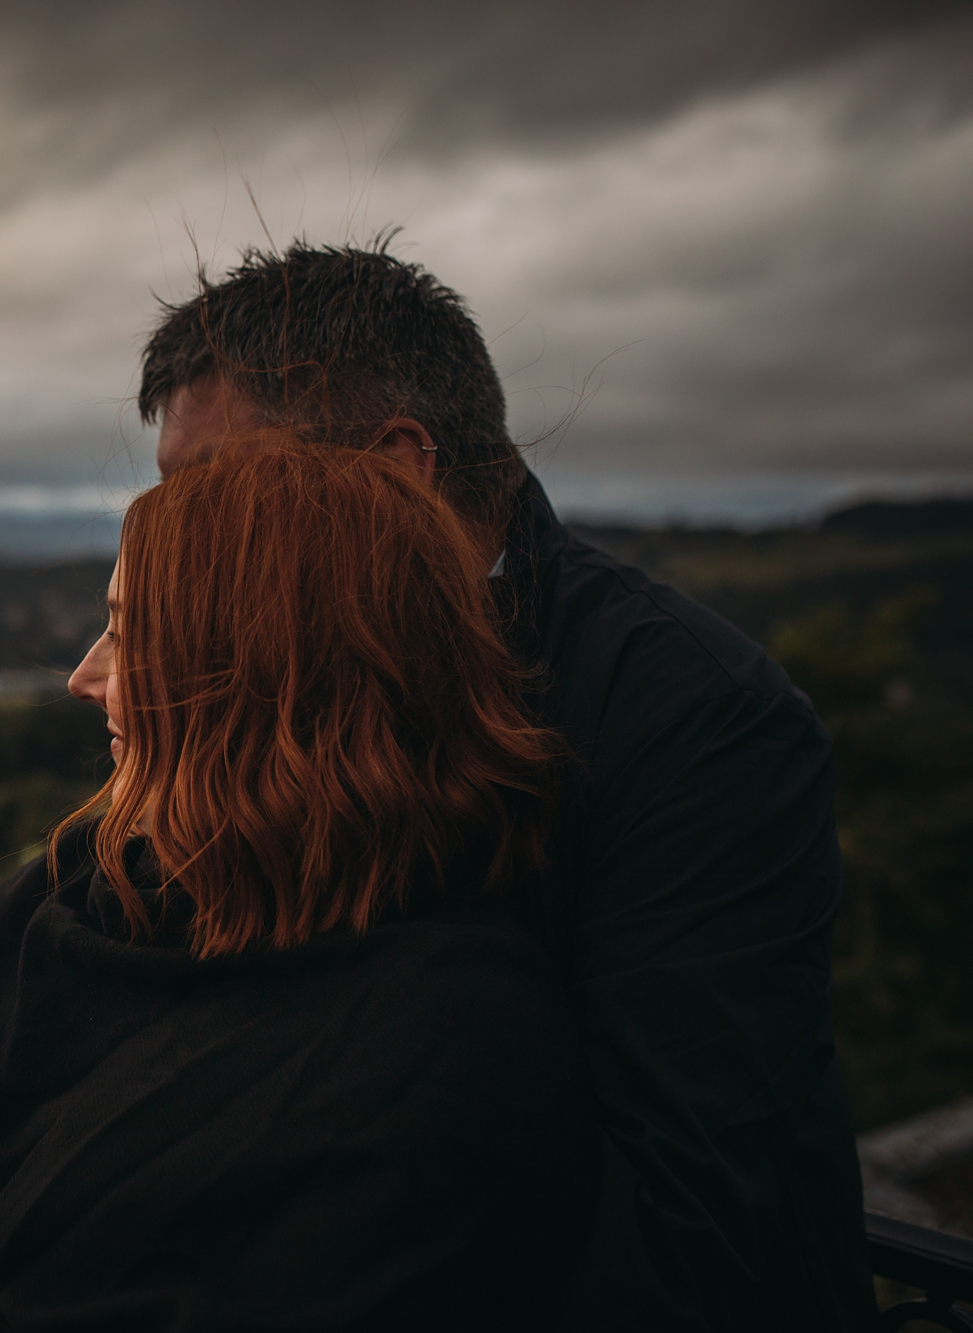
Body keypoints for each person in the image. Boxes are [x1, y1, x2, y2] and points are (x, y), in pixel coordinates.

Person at [136, 243, 874, 1331]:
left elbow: (679, 1217)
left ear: (393, 470)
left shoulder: (697, 719)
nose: (174, 553)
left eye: (205, 499)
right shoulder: (241, 685)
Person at [0, 443, 603, 1333]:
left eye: (128, 633)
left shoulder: (448, 1057)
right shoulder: (95, 882)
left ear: (264, 677)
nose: (84, 676)